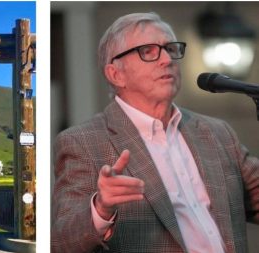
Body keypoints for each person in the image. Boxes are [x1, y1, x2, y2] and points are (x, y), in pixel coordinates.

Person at [51, 12, 259, 253]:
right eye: (148, 51)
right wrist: (100, 208)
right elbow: (60, 241)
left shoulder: (217, 133)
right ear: (115, 74)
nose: (166, 60)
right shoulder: (83, 142)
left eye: (171, 49)